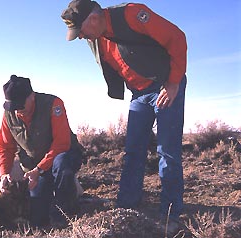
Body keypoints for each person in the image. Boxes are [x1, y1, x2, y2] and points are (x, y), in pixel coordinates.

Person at [61, 0, 187, 234]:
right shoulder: (94, 37)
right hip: (139, 94)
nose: (80, 37)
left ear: (94, 19)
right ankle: (126, 206)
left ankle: (171, 213)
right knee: (133, 151)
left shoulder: (131, 14)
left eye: (80, 31)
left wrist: (173, 82)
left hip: (164, 86)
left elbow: (177, 38)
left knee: (167, 151)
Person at [0, 75, 83, 228]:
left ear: (31, 96)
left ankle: (63, 211)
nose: (17, 111)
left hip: (63, 157)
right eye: (13, 107)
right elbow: (5, 147)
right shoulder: (9, 114)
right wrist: (4, 174)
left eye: (19, 105)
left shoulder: (53, 104)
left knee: (61, 164)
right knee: (37, 217)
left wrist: (39, 169)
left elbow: (62, 143)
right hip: (37, 167)